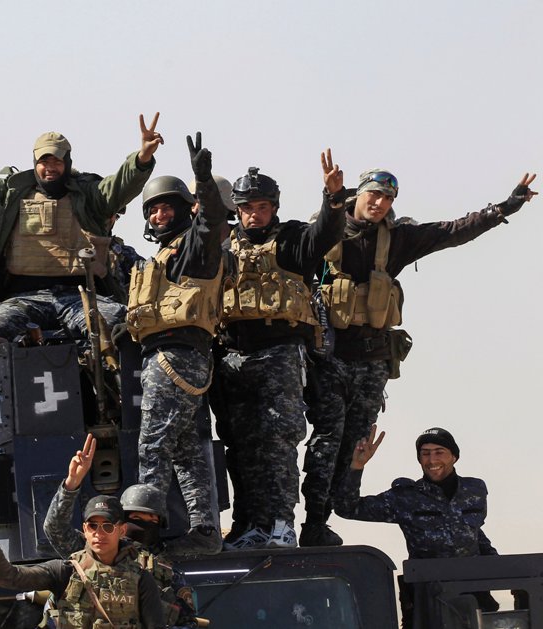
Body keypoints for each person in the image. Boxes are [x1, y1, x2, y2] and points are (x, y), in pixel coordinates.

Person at [300, 169, 537, 547]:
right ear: (357, 195)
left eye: (387, 199)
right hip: (329, 357)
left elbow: (455, 230)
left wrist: (505, 207)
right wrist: (328, 199)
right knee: (327, 439)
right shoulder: (323, 233)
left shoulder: (397, 241)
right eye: (373, 195)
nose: (378, 204)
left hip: (373, 359)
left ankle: (323, 519)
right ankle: (313, 523)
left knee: (354, 445)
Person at [0, 109, 161, 340]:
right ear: (34, 163)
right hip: (22, 298)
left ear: (67, 163)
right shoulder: (11, 194)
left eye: (57, 161)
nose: (50, 168)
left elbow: (119, 186)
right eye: (44, 161)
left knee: (115, 326)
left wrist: (142, 159)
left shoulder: (89, 196)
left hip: (78, 296)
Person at [217, 152, 347, 549]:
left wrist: (333, 197)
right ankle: (250, 525)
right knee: (240, 446)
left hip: (280, 351)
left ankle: (280, 523)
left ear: (273, 208)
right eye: (246, 208)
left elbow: (325, 233)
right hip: (233, 355)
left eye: (261, 207)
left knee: (278, 441)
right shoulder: (222, 247)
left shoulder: (292, 239)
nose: (253, 215)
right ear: (236, 211)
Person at [126, 133, 229, 556]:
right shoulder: (164, 257)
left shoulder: (193, 248)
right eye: (154, 209)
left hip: (174, 358)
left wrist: (202, 179)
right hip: (177, 358)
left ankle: (141, 536)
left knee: (153, 446)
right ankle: (204, 530)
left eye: (168, 206)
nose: (160, 214)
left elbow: (211, 223)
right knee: (186, 451)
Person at [336, 425, 499, 627]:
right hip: (429, 598)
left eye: (439, 453)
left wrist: (501, 570)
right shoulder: (406, 497)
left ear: (454, 457)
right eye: (425, 454)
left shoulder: (475, 490)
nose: (432, 461)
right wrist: (357, 467)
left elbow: (474, 532)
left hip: (474, 596)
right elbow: (347, 508)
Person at [43, 435, 198, 627]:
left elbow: (188, 623)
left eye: (151, 520)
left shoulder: (165, 572)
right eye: (136, 519)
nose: (143, 526)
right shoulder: (95, 551)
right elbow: (55, 527)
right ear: (122, 523)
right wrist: (72, 483)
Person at [0, 496, 166, 628]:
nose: (99, 534)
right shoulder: (64, 571)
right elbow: (9, 577)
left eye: (107, 526)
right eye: (93, 526)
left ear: (121, 530)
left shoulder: (141, 578)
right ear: (85, 528)